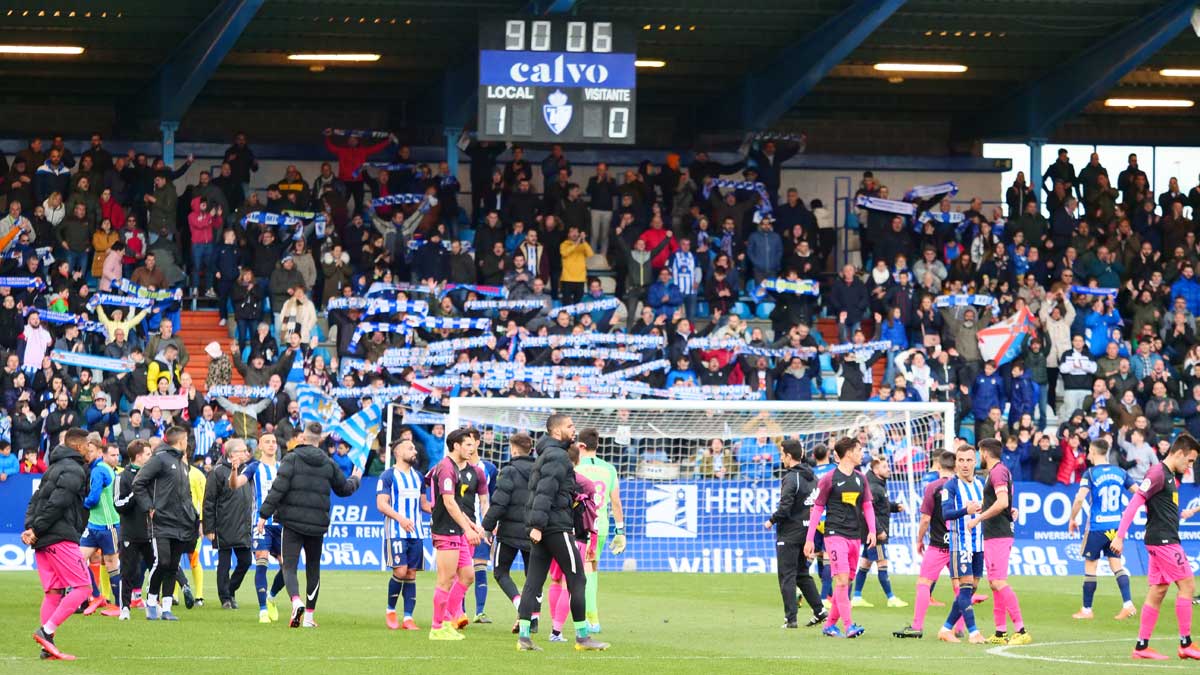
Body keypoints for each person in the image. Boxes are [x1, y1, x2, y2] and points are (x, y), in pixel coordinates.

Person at [516, 414, 609, 651]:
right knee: (577, 578)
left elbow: (541, 490)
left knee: (533, 582)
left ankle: (524, 637)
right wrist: (537, 525)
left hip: (543, 526)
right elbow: (545, 491)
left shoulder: (546, 454)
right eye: (569, 426)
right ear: (557, 432)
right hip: (555, 526)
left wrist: (536, 525)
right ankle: (582, 637)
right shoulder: (558, 457)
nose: (573, 429)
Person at [258, 422, 361, 628]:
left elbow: (277, 490)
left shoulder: (292, 459)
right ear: (320, 440)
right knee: (313, 568)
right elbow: (343, 489)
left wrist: (263, 515)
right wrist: (356, 478)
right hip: (317, 525)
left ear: (302, 438)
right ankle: (309, 618)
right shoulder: (329, 463)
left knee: (289, 566)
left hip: (292, 523)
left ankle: (296, 601)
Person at [1112, 434, 1200, 660]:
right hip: (1164, 541)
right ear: (1179, 453)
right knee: (1188, 586)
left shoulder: (1169, 475)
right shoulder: (1158, 473)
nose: (1190, 466)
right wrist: (1120, 536)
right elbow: (1135, 503)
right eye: (1189, 461)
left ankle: (1141, 647)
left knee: (1159, 590)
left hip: (1160, 539)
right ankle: (1186, 643)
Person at [24, 428, 93, 661]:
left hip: (43, 539)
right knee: (83, 588)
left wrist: (30, 528)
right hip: (59, 536)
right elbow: (58, 503)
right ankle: (46, 631)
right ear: (77, 447)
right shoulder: (75, 469)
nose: (89, 449)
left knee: (53, 592)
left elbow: (36, 499)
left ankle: (47, 647)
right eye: (86, 446)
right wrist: (37, 528)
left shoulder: (53, 468)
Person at [804, 436, 874, 639]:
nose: (862, 453)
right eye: (859, 450)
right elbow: (817, 508)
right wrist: (810, 539)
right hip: (834, 535)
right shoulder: (829, 478)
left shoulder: (861, 478)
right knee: (842, 581)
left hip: (855, 536)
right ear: (849, 453)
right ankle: (849, 625)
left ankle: (829, 625)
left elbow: (867, 506)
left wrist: (871, 530)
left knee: (845, 583)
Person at [425, 428, 488, 641]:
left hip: (458, 528)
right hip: (446, 530)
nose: (473, 448)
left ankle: (447, 620)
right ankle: (437, 626)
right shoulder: (445, 468)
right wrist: (468, 529)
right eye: (468, 445)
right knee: (445, 580)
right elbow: (449, 503)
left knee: (468, 576)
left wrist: (472, 525)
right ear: (456, 446)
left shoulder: (456, 468)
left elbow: (458, 505)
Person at [131, 426, 197, 621]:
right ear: (180, 441)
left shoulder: (183, 465)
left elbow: (186, 494)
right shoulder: (159, 459)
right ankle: (151, 601)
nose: (187, 443)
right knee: (163, 561)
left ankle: (167, 607)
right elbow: (138, 483)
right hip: (161, 522)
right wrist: (149, 507)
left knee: (173, 565)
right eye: (186, 440)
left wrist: (192, 514)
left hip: (180, 523)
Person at [1067, 439, 1137, 621]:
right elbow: (1138, 493)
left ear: (1093, 451)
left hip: (1097, 527)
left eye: (1089, 451)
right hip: (1115, 527)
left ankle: (1087, 609)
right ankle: (1128, 604)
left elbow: (1080, 499)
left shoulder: (1090, 473)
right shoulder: (1121, 472)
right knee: (1117, 565)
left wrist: (1072, 518)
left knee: (1091, 566)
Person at [974, 438, 1031, 645]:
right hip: (993, 533)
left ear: (985, 453)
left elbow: (1003, 502)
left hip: (998, 533)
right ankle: (1000, 632)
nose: (979, 456)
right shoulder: (999, 472)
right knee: (993, 584)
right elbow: (1004, 504)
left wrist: (979, 518)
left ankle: (1021, 630)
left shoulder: (997, 472)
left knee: (999, 582)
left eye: (979, 452)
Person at [895, 450, 957, 639]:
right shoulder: (961, 486)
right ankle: (959, 627)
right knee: (961, 586)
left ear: (938, 465)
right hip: (957, 544)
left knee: (923, 583)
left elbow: (925, 519)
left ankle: (917, 626)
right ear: (955, 466)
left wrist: (919, 539)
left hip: (938, 545)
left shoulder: (933, 487)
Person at [765, 439, 826, 629]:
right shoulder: (812, 476)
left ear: (789, 456)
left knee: (787, 575)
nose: (781, 458)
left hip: (790, 533)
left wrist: (772, 520)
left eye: (782, 454)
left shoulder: (792, 477)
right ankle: (819, 610)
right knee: (801, 573)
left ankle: (790, 618)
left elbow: (785, 507)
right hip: (807, 532)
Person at [481, 432, 538, 633]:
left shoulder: (508, 471)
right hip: (534, 532)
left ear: (513, 450)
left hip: (509, 534)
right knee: (533, 577)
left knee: (500, 571)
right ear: (530, 450)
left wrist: (487, 527)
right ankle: (534, 619)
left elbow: (499, 502)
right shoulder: (540, 471)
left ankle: (521, 608)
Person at [229, 433, 288, 623]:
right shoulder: (254, 467)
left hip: (283, 524)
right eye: (267, 442)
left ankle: (271, 597)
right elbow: (235, 485)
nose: (271, 445)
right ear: (260, 446)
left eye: (274, 441)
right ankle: (262, 609)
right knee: (262, 560)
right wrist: (234, 471)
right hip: (261, 523)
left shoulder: (284, 468)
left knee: (287, 567)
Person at [575, 427, 627, 633]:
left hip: (580, 522)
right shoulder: (609, 469)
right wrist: (620, 531)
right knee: (592, 568)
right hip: (601, 524)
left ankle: (589, 618)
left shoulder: (576, 467)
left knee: (577, 570)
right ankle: (592, 617)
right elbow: (616, 502)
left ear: (581, 445)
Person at [377, 439, 430, 631]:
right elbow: (382, 504)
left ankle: (408, 618)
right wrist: (400, 519)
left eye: (415, 448)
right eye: (410, 448)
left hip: (416, 532)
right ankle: (391, 610)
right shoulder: (388, 476)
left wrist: (444, 510)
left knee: (411, 573)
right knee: (400, 570)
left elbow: (424, 505)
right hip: (396, 531)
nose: (414, 451)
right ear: (398, 452)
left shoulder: (418, 477)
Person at [937, 444, 987, 644]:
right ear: (956, 463)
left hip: (979, 544)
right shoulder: (951, 486)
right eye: (961, 460)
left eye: (968, 460)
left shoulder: (981, 483)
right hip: (961, 544)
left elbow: (990, 507)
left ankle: (946, 629)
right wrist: (966, 510)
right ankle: (974, 632)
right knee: (965, 588)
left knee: (971, 589)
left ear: (975, 461)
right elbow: (946, 513)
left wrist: (1010, 513)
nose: (965, 465)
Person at [204, 438, 254, 610]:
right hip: (223, 524)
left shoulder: (248, 470)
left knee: (246, 561)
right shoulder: (217, 472)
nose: (246, 453)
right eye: (242, 450)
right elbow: (209, 501)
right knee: (224, 564)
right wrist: (209, 528)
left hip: (243, 525)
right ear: (232, 454)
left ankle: (231, 589)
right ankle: (225, 598)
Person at [851, 457, 906, 609]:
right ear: (876, 470)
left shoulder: (877, 485)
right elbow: (867, 511)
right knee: (882, 563)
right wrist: (879, 531)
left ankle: (856, 596)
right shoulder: (874, 487)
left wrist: (894, 507)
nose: (889, 469)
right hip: (875, 533)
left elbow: (882, 506)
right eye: (884, 466)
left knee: (865, 564)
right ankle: (891, 598)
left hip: (872, 532)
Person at [79, 439, 122, 617]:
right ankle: (97, 595)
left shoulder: (99, 470)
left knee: (111, 563)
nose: (87, 454)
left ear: (98, 452)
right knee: (78, 560)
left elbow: (94, 498)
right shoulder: (104, 469)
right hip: (95, 524)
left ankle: (120, 605)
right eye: (85, 451)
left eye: (90, 451)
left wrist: (82, 503)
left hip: (108, 524)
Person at [113, 440, 152, 621]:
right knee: (128, 572)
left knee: (157, 568)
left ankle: (153, 603)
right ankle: (125, 608)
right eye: (148, 454)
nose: (150, 457)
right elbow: (118, 504)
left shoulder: (152, 475)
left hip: (151, 531)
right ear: (138, 456)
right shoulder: (123, 477)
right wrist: (135, 492)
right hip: (130, 532)